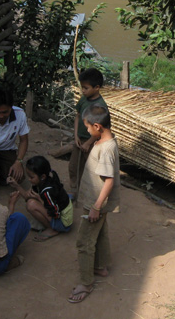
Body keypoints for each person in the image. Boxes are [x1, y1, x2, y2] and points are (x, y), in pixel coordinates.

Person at [68, 104, 120, 303]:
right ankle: (100, 266)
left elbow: (109, 180)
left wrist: (96, 206)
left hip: (96, 202)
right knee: (100, 233)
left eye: (88, 127)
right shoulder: (106, 141)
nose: (87, 131)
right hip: (97, 202)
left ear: (97, 126)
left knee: (84, 241)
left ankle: (86, 282)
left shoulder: (105, 150)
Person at [8, 155, 73, 242]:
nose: (29, 180)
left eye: (31, 177)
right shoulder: (43, 181)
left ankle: (52, 229)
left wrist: (40, 200)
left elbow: (55, 213)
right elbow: (28, 196)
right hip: (58, 213)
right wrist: (16, 185)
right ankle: (51, 225)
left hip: (64, 223)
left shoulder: (47, 192)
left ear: (42, 177)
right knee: (31, 202)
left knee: (31, 204)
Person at [68, 68, 107, 199]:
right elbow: (78, 116)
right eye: (82, 88)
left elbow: (101, 129)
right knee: (73, 166)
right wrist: (76, 135)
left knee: (90, 170)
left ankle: (89, 194)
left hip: (92, 143)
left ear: (97, 87)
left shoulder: (100, 106)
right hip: (79, 140)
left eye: (85, 88)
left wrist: (89, 143)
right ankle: (74, 190)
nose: (83, 91)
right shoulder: (83, 100)